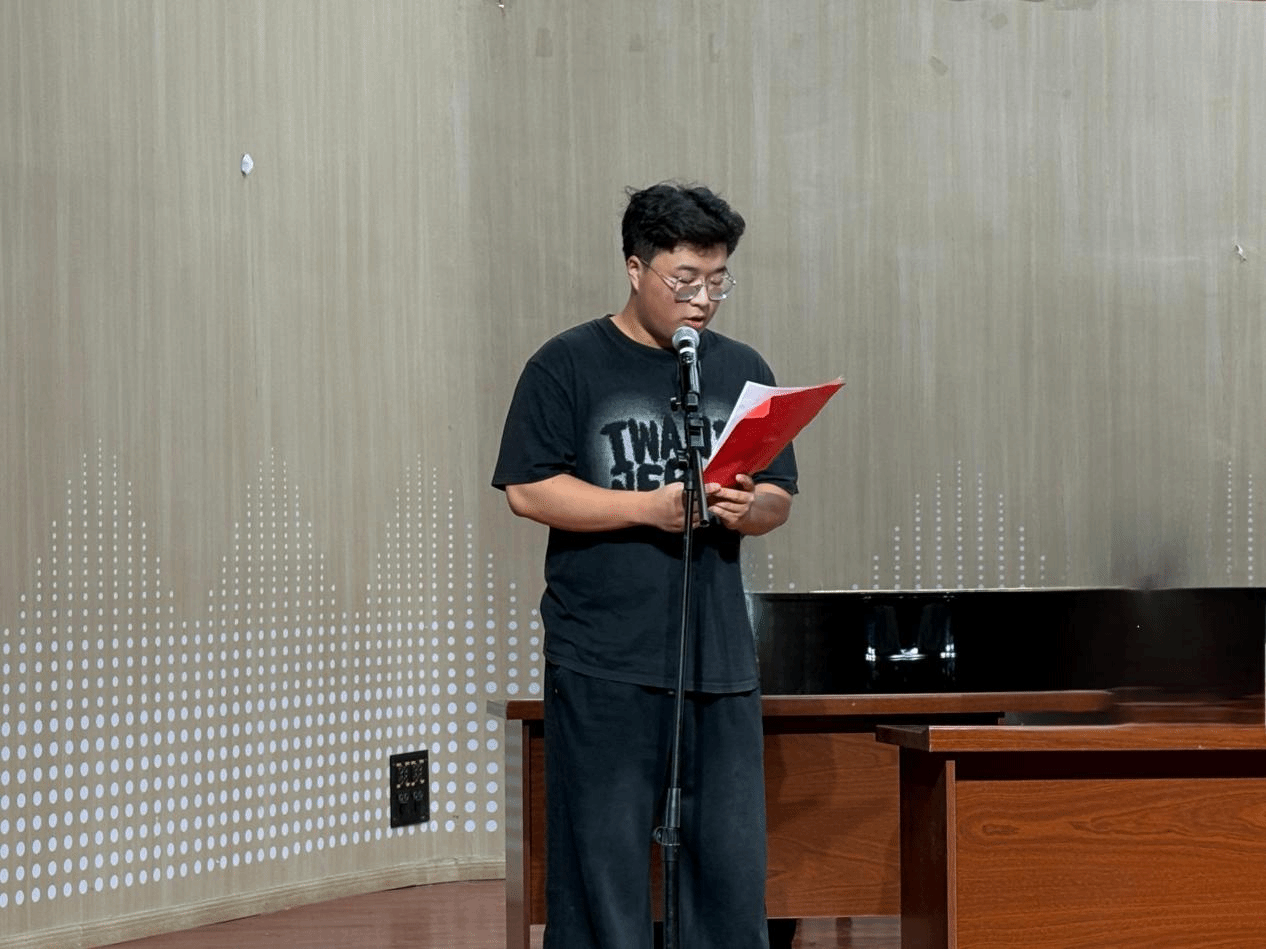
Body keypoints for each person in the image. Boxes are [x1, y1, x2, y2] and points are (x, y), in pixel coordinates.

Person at [492, 182, 798, 949]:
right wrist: (648, 509)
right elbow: (529, 489)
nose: (703, 301)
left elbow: (778, 497)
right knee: (602, 871)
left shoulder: (743, 370)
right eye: (684, 280)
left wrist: (747, 508)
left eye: (717, 281)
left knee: (729, 872)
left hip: (718, 662)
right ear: (636, 267)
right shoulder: (567, 364)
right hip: (603, 658)